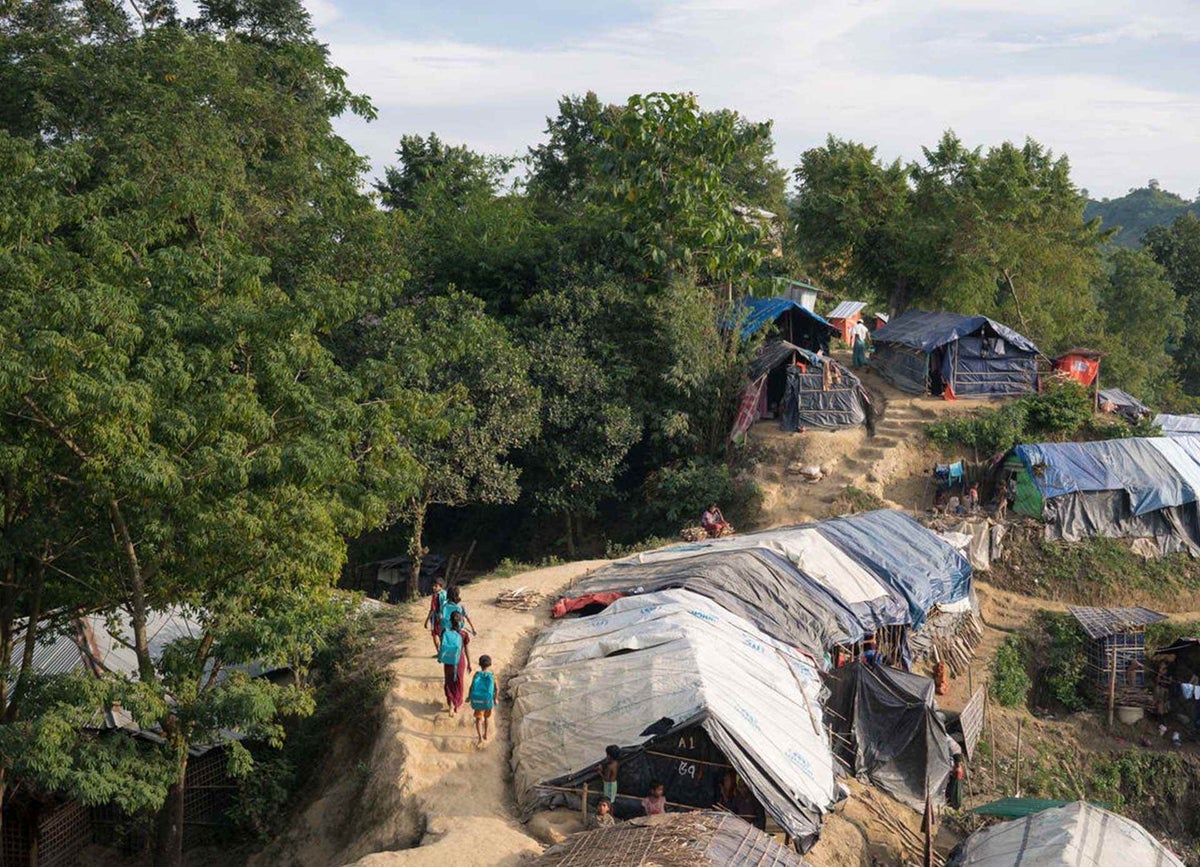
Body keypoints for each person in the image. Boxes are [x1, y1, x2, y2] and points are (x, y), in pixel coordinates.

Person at [438, 611, 471, 714]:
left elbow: (442, 645)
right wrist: (469, 663)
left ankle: (451, 704)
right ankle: (457, 704)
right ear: (461, 621)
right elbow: (466, 649)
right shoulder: (463, 634)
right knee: (459, 682)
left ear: (450, 621)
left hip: (449, 660)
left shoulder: (445, 632)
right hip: (459, 660)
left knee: (449, 681)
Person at [468, 654, 497, 745]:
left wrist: (469, 697)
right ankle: (486, 734)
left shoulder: (476, 674)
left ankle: (480, 738)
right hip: (488, 700)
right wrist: (495, 698)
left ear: (479, 664)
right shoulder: (492, 675)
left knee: (478, 719)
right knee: (486, 718)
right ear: (490, 664)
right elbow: (497, 688)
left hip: (478, 700)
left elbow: (471, 687)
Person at [423, 579, 447, 654]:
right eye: (433, 586)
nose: (433, 587)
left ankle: (439, 653)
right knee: (442, 635)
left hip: (436, 618)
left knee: (435, 634)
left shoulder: (435, 596)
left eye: (436, 586)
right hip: (444, 617)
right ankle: (444, 651)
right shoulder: (445, 593)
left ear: (440, 586)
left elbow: (432, 609)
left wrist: (426, 620)